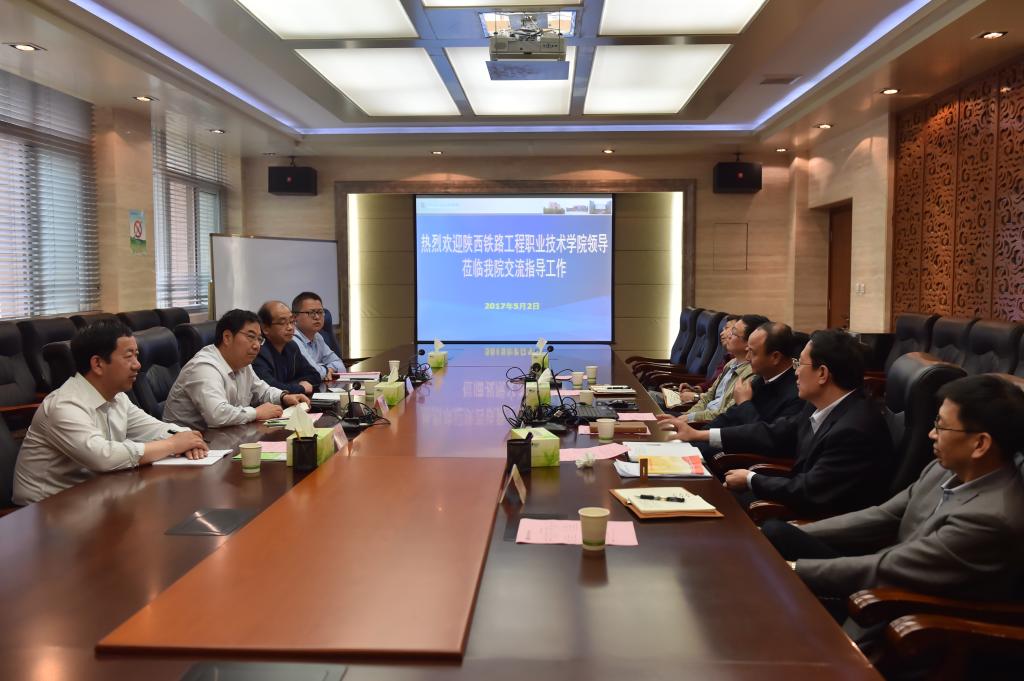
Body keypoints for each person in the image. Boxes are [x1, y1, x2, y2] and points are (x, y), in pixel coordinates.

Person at [762, 375, 1024, 634]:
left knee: (769, 597)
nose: (931, 434)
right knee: (776, 534)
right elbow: (883, 515)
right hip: (881, 576)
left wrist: (790, 569)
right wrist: (785, 535)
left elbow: (888, 569)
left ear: (980, 444)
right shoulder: (943, 469)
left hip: (901, 616)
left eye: (942, 427)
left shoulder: (990, 519)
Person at [658, 328, 893, 518]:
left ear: (822, 374)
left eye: (800, 364)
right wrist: (699, 435)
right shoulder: (819, 406)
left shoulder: (855, 428)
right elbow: (771, 433)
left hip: (822, 523)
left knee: (722, 506)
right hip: (797, 498)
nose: (796, 372)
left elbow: (810, 490)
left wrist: (751, 479)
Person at [12, 319, 207, 505]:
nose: (138, 365)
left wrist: (187, 438)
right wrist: (173, 444)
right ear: (98, 364)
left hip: (93, 495)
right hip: (45, 510)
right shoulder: (64, 405)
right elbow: (103, 457)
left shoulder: (117, 397)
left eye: (137, 355)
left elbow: (153, 428)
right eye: (129, 356)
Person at [164, 309, 309, 431]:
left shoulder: (242, 363)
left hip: (222, 438)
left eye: (259, 339)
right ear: (227, 337)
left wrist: (284, 397)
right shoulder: (203, 367)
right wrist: (256, 413)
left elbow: (261, 390)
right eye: (251, 337)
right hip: (185, 446)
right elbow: (217, 415)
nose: (256, 346)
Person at [707, 322, 805, 429]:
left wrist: (744, 403)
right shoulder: (759, 379)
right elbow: (729, 417)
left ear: (775, 357)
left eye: (752, 353)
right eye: (748, 350)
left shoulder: (797, 394)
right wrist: (700, 434)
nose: (748, 358)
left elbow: (765, 435)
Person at [679, 314, 767, 423]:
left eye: (733, 333)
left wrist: (688, 419)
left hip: (709, 424)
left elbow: (725, 414)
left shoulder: (752, 374)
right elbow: (707, 398)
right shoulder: (730, 363)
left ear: (748, 343)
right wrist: (685, 416)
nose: (728, 335)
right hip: (698, 418)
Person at [252, 300, 321, 396]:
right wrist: (300, 387)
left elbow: (315, 376)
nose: (290, 327)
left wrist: (288, 386)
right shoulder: (258, 351)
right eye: (282, 322)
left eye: (292, 322)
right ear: (265, 328)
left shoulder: (291, 346)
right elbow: (269, 388)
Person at [291, 291, 346, 382]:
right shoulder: (292, 339)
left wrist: (329, 369)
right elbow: (313, 373)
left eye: (320, 312)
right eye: (311, 312)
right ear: (294, 317)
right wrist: (326, 368)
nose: (317, 317)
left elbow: (339, 364)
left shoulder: (317, 337)